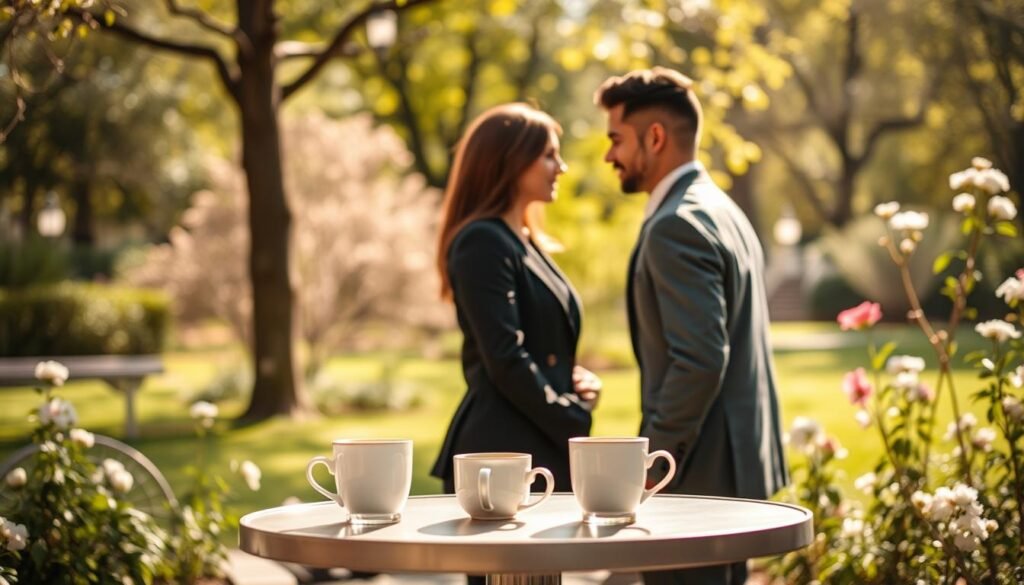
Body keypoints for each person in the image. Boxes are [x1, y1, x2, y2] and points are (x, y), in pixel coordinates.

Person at [594, 68, 788, 585]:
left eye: (616, 139)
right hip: (732, 474)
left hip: (696, 482)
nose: (609, 155)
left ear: (654, 137)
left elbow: (700, 359)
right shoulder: (724, 210)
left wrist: (651, 466)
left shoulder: (675, 225)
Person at [431, 103, 600, 499]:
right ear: (509, 161)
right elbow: (506, 356)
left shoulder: (524, 241)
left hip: (535, 446)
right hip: (499, 457)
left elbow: (542, 347)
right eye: (548, 155)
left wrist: (575, 383)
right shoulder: (482, 243)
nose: (561, 167)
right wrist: (571, 415)